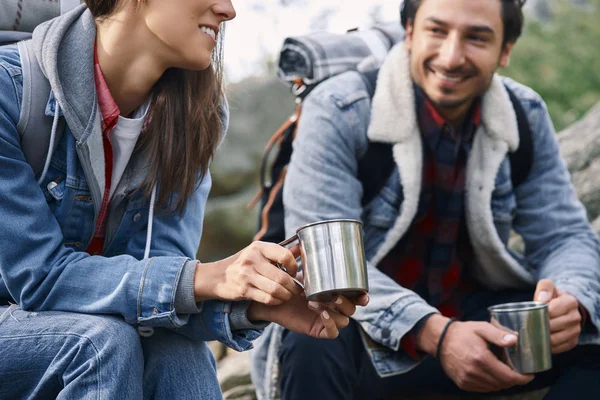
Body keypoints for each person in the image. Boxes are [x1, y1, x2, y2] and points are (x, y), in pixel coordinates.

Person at [0, 1, 368, 399]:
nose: (228, 10)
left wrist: (255, 304)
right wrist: (208, 277)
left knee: (178, 350)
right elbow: (39, 278)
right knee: (99, 344)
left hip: (81, 329)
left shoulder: (193, 114)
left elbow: (160, 292)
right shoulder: (10, 88)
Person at [250, 0, 600, 399]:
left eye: (477, 38)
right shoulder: (339, 108)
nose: (451, 57)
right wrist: (437, 333)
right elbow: (321, 267)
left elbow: (564, 234)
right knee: (317, 330)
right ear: (410, 32)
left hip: (473, 329)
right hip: (367, 345)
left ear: (505, 51)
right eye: (437, 31)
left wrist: (572, 300)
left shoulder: (525, 113)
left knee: (594, 329)